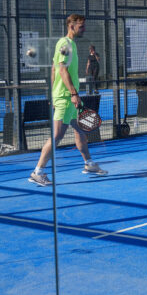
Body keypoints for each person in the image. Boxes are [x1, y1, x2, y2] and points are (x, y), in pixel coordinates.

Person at [29, 14, 107, 186]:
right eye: (81, 26)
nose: (84, 29)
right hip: (66, 97)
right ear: (71, 26)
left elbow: (53, 68)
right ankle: (38, 171)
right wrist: (72, 93)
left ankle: (89, 164)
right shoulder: (65, 44)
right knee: (57, 135)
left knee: (79, 130)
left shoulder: (69, 45)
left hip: (65, 96)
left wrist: (53, 93)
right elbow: (62, 70)